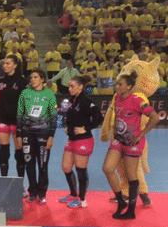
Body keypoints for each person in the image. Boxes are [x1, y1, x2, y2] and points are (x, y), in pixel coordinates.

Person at [102, 71, 159, 219]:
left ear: (129, 86)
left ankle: (130, 211)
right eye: (116, 84)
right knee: (107, 168)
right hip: (119, 140)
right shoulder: (116, 98)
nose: (117, 87)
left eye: (120, 84)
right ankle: (121, 201)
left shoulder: (136, 99)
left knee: (131, 175)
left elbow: (154, 117)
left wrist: (141, 135)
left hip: (132, 142)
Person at [59, 75, 103, 208]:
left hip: (84, 140)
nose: (69, 89)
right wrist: (67, 127)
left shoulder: (87, 102)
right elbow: (69, 116)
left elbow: (98, 118)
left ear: (80, 86)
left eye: (72, 86)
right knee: (66, 167)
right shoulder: (72, 100)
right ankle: (73, 194)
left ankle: (82, 199)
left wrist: (86, 128)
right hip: (72, 139)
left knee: (80, 170)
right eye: (69, 86)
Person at [17, 68, 57, 204]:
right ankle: (32, 191)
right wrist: (19, 134)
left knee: (42, 164)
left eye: (35, 77)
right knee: (29, 163)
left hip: (43, 134)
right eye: (31, 77)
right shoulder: (24, 93)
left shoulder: (49, 94)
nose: (32, 79)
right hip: (28, 134)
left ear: (42, 79)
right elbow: (19, 115)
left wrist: (51, 136)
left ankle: (42, 192)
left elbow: (53, 117)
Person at [0, 55, 28, 178]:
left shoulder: (22, 82)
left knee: (19, 152)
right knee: (3, 151)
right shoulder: (0, 82)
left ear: (15, 65)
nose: (5, 66)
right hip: (2, 119)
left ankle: (20, 182)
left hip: (17, 121)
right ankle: (4, 180)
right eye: (4, 63)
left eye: (8, 63)